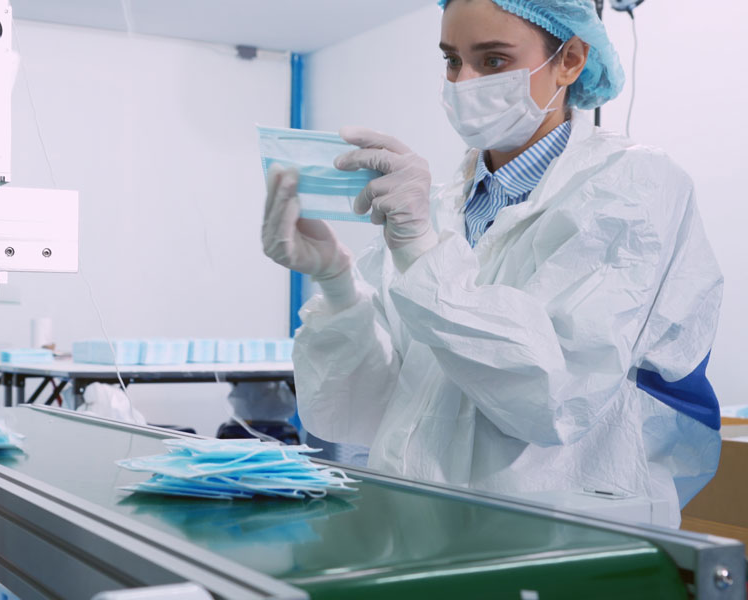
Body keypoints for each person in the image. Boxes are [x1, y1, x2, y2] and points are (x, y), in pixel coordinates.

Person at [261, 0, 722, 528]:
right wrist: (337, 282)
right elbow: (358, 411)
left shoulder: (633, 186)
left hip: (568, 540)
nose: (464, 82)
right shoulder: (436, 207)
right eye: (452, 60)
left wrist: (419, 250)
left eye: (494, 61)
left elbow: (554, 394)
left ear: (570, 60)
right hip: (418, 531)